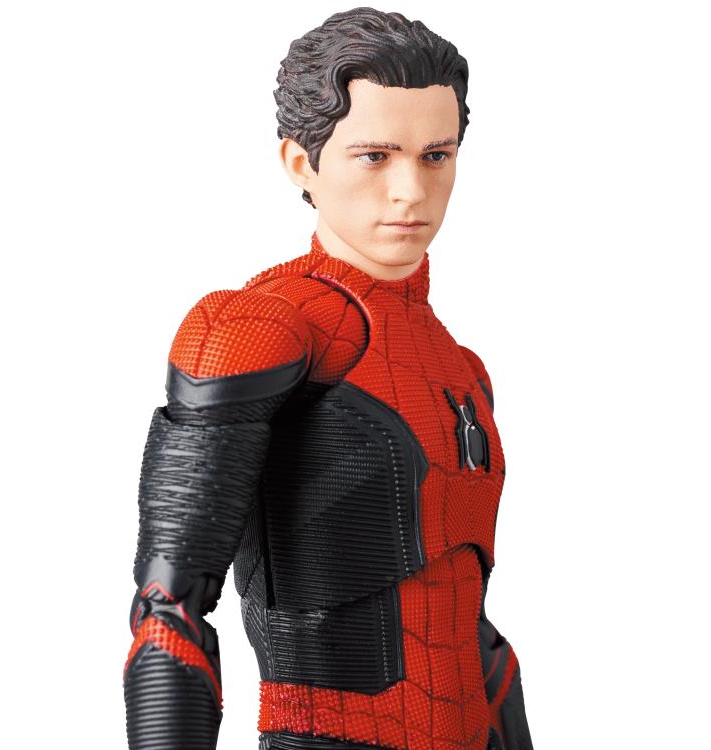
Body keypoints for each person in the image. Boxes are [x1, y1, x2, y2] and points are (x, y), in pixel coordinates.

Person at [123, 7, 534, 750]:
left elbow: (465, 617)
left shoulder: (461, 370)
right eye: (375, 156)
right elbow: (167, 611)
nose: (410, 190)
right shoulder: (253, 329)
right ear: (301, 163)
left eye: (436, 155)